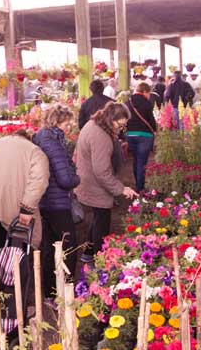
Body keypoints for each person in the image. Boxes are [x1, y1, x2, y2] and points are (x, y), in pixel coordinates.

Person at [75, 102, 138, 263]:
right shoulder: (100, 136)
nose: (121, 129)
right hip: (95, 184)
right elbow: (101, 171)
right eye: (120, 124)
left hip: (88, 179)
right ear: (111, 119)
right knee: (102, 222)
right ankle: (99, 260)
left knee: (98, 217)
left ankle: (88, 253)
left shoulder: (94, 125)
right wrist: (121, 189)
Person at [32, 105, 81, 298]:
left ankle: (49, 293)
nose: (70, 125)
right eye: (68, 121)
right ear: (58, 121)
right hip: (56, 202)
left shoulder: (41, 137)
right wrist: (77, 178)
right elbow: (65, 179)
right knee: (69, 245)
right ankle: (65, 291)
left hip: (45, 201)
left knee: (50, 246)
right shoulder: (51, 142)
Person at [0, 129, 49, 258]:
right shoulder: (34, 151)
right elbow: (39, 181)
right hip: (17, 217)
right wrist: (27, 209)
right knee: (18, 260)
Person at [126, 83, 157, 193]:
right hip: (145, 135)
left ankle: (137, 184)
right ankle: (140, 187)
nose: (149, 96)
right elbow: (151, 120)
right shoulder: (147, 103)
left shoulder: (128, 102)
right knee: (142, 162)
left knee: (135, 160)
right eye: (149, 93)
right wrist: (155, 129)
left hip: (130, 134)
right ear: (144, 91)